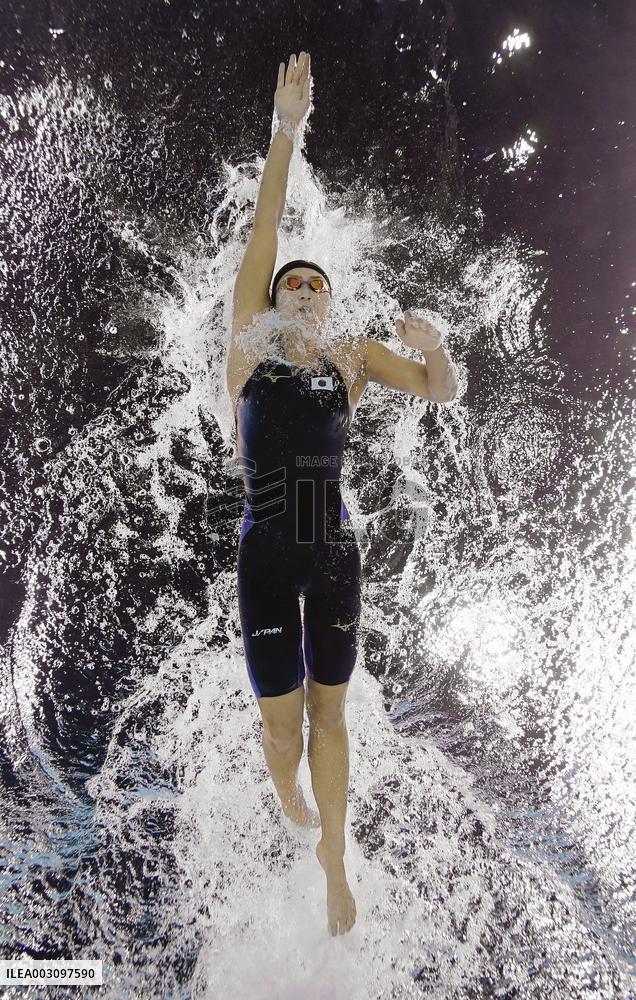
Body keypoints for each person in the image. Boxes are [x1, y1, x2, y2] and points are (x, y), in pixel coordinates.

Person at [226, 51, 459, 937]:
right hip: (263, 552)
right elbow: (266, 224)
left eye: (315, 283)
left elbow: (439, 390)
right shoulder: (248, 345)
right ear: (274, 296)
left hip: (332, 549)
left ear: (327, 303)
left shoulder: (353, 360)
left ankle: (335, 859)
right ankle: (289, 799)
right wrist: (286, 129)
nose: (302, 286)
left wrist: (434, 348)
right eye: (292, 280)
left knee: (331, 711)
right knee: (281, 732)